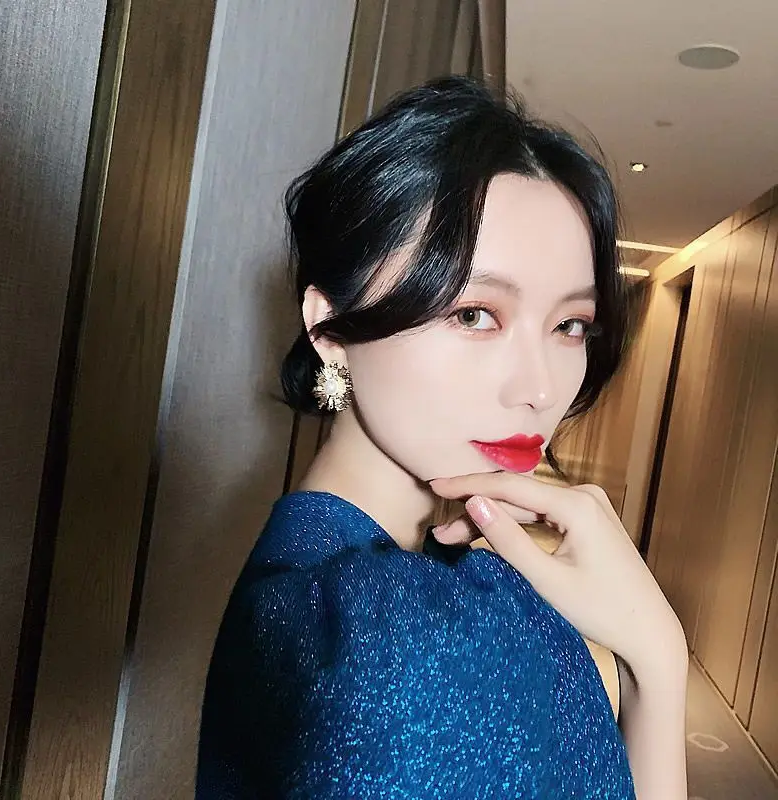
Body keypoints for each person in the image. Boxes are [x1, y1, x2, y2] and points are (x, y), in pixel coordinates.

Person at [196, 76, 688, 799]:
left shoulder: (312, 574)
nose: (540, 389)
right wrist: (655, 660)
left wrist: (657, 659)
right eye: (474, 315)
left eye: (569, 325)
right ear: (329, 328)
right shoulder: (408, 639)